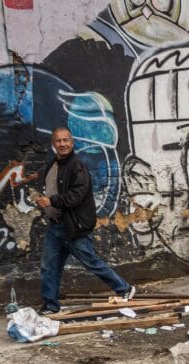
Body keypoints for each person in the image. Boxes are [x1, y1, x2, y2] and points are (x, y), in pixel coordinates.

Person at [34, 127, 134, 315]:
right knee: (49, 266)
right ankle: (51, 305)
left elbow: (77, 195)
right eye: (58, 141)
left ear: (72, 143)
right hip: (55, 226)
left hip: (73, 227)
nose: (62, 144)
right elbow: (53, 190)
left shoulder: (77, 166)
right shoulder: (52, 166)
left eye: (66, 140)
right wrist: (45, 201)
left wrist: (51, 201)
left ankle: (125, 288)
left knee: (91, 262)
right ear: (53, 144)